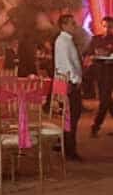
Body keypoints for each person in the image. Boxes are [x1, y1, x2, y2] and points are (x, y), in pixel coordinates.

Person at [54, 14, 83, 160]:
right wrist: (75, 79)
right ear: (64, 25)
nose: (75, 26)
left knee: (70, 116)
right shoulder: (63, 41)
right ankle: (69, 149)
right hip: (68, 82)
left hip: (65, 81)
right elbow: (67, 63)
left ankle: (65, 144)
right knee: (72, 115)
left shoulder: (66, 40)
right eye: (72, 23)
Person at [90, 16, 113, 137]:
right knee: (107, 101)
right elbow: (88, 53)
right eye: (105, 26)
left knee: (104, 101)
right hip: (99, 74)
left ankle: (95, 127)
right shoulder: (95, 39)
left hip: (110, 74)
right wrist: (92, 57)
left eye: (110, 27)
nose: (107, 29)